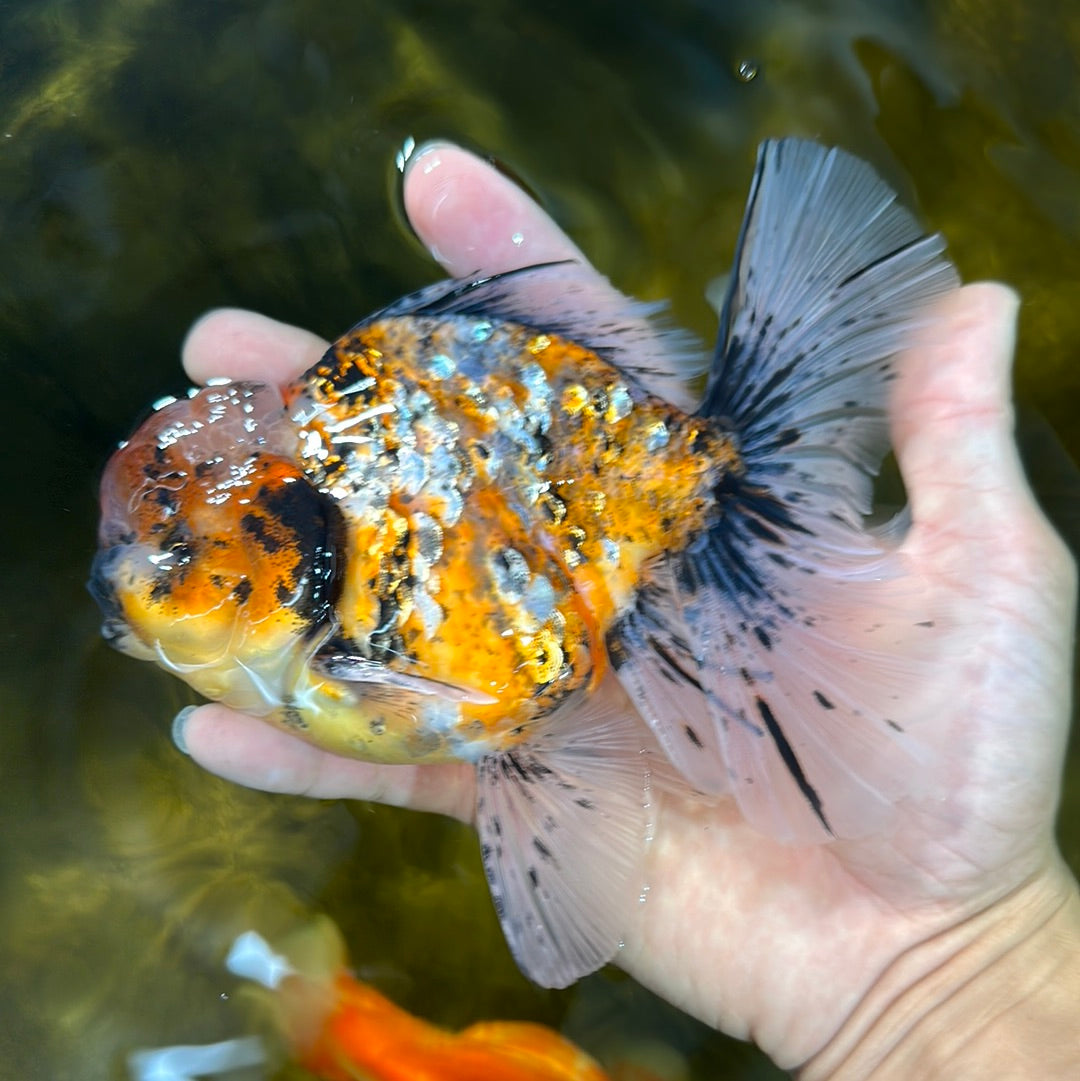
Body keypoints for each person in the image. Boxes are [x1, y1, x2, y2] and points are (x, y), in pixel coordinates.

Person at [173, 143, 1080, 1077]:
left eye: (174, 563)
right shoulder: (303, 599)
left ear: (281, 559)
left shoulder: (322, 641)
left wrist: (970, 951)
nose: (147, 588)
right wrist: (970, 965)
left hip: (580, 584)